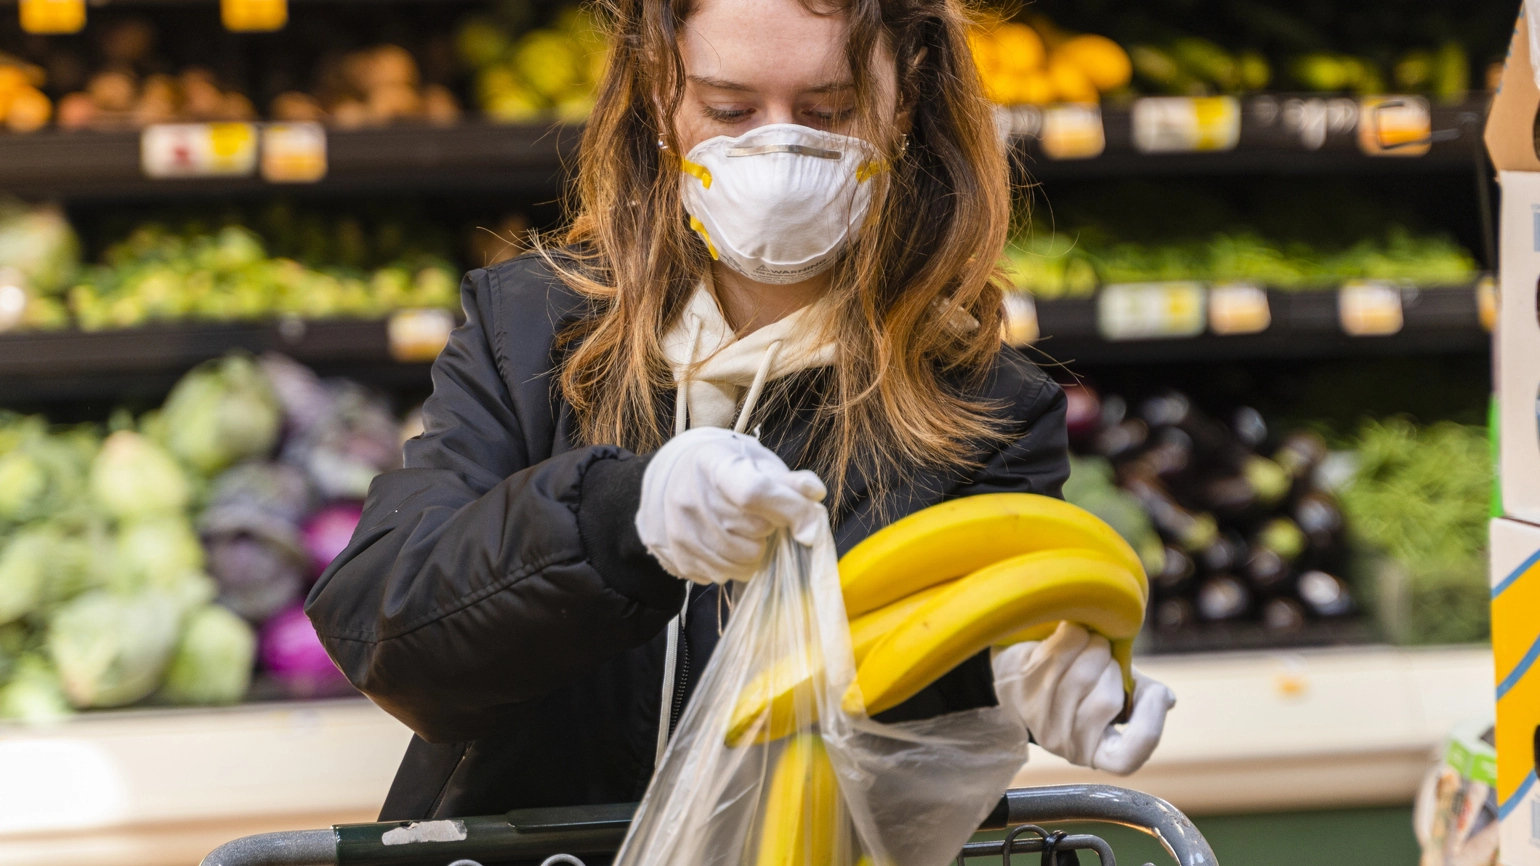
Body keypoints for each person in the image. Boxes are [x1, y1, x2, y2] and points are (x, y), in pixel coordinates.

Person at [306, 0, 1175, 821]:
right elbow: (385, 630)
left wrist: (1016, 675)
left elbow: (920, 723)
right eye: (728, 109)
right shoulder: (528, 331)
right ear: (660, 96)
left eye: (828, 110)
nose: (778, 149)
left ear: (902, 98)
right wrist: (613, 519)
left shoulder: (985, 410)